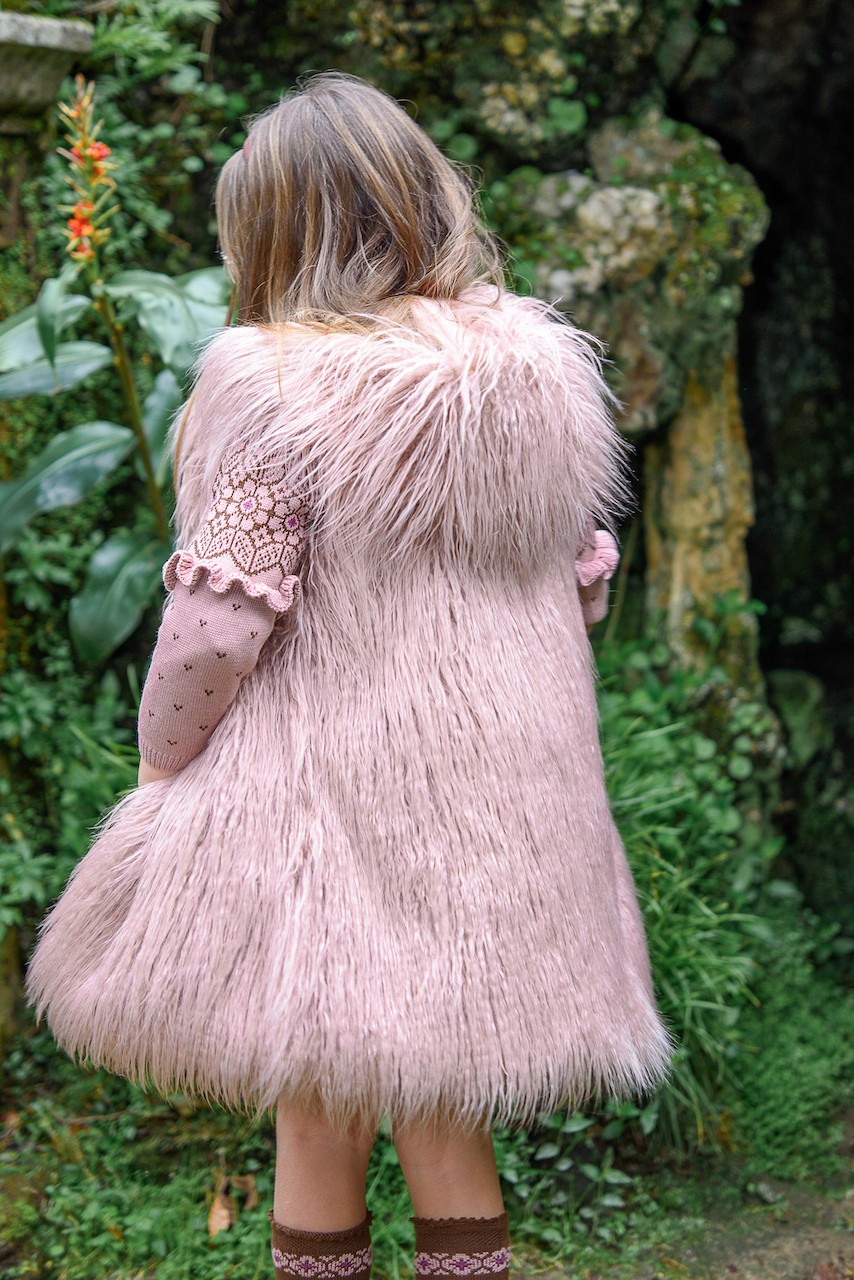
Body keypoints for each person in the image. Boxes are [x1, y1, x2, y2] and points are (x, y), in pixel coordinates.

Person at [26, 71, 673, 1280]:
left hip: (333, 810)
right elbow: (582, 585)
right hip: (503, 807)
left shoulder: (271, 387)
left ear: (273, 234)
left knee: (317, 1104)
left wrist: (163, 764)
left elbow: (218, 620)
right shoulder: (535, 377)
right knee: (446, 1111)